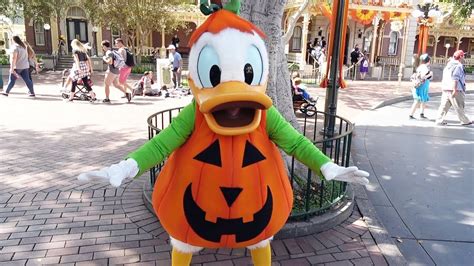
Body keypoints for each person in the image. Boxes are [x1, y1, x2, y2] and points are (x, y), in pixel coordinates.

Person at [435, 50, 472, 126]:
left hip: (446, 88)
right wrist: (454, 89)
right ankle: (465, 121)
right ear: (461, 57)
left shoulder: (448, 65)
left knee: (444, 106)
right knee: (459, 106)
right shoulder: (458, 66)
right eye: (463, 55)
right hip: (456, 89)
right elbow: (455, 78)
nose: (464, 57)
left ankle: (439, 119)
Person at [409, 54, 432, 119]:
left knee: (422, 100)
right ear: (428, 61)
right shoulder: (424, 68)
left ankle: (421, 113)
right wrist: (429, 74)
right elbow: (422, 77)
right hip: (422, 85)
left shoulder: (420, 66)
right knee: (418, 100)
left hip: (421, 85)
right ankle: (411, 114)